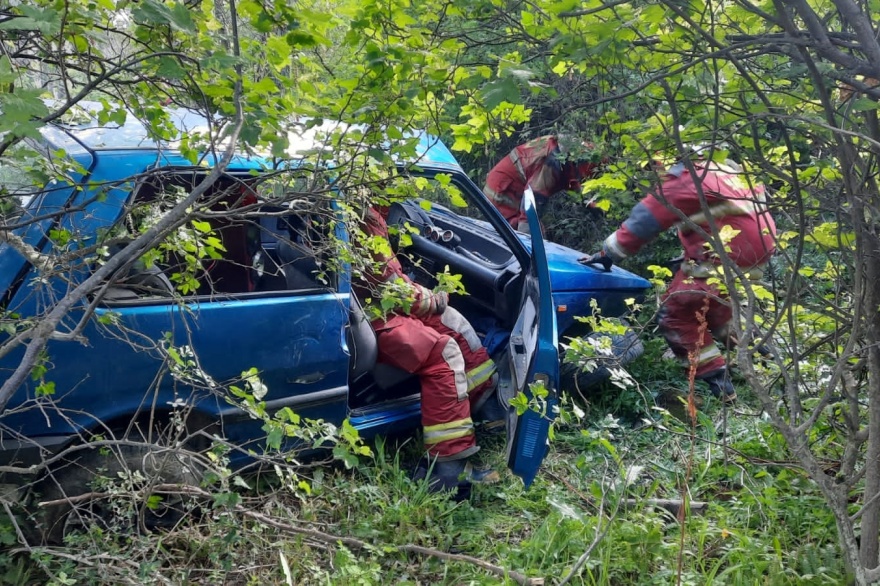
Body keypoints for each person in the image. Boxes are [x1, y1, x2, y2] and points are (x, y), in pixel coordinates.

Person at [580, 154, 777, 403]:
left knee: (675, 313)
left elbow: (646, 218)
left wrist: (608, 253)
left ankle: (722, 390)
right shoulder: (726, 170)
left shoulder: (686, 178)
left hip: (725, 258)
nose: (658, 171)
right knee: (720, 312)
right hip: (755, 257)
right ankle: (772, 366)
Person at [355, 205, 502, 493]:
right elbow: (391, 286)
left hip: (376, 306)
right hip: (375, 315)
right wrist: (432, 300)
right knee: (444, 353)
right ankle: (448, 471)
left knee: (456, 324)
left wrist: (432, 301)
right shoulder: (364, 216)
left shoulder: (364, 206)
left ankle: (485, 412)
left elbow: (389, 280)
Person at [483, 135, 602, 233]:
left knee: (536, 233)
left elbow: (572, 180)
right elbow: (533, 199)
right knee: (518, 236)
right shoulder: (553, 163)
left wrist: (587, 202)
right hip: (503, 193)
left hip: (510, 187)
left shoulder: (568, 152)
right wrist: (529, 241)